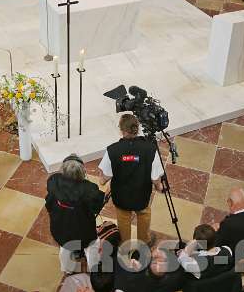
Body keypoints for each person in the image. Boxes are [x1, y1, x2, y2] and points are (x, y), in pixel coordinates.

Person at [98, 114, 164, 245]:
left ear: (121, 130)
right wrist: (159, 187)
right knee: (144, 214)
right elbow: (156, 179)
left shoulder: (113, 150)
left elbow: (102, 180)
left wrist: (103, 176)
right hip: (142, 195)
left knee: (123, 218)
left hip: (121, 197)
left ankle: (124, 245)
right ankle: (144, 242)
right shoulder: (150, 149)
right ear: (137, 128)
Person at [46, 153, 106, 273]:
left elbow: (49, 201)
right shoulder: (89, 188)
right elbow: (97, 207)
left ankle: (67, 270)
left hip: (60, 226)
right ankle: (94, 269)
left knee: (65, 247)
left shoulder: (53, 181)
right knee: (92, 246)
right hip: (83, 229)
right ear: (82, 172)